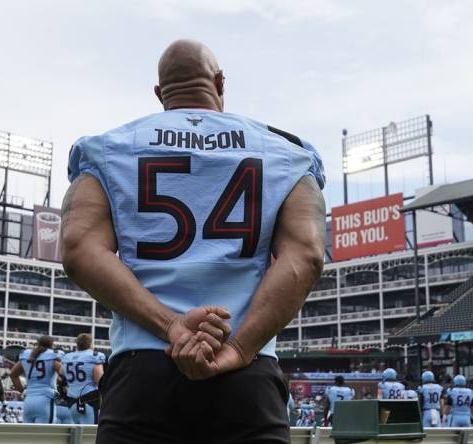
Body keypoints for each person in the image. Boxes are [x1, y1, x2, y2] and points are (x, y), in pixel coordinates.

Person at [60, 39, 326, 444]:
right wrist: (238, 347)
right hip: (246, 371)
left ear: (159, 94)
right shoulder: (286, 153)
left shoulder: (108, 149)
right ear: (219, 82)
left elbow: (79, 249)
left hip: (143, 366)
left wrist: (172, 327)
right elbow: (306, 256)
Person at [9, 335, 63, 423]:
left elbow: (13, 375)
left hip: (29, 399)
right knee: (46, 435)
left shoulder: (28, 355)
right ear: (51, 345)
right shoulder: (52, 356)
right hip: (45, 399)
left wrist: (22, 391)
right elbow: (64, 374)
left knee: (30, 435)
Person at [61, 333, 105, 424]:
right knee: (91, 435)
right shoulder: (94, 356)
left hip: (72, 402)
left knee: (77, 435)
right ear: (90, 343)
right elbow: (99, 381)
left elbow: (61, 376)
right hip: (89, 400)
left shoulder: (67, 357)